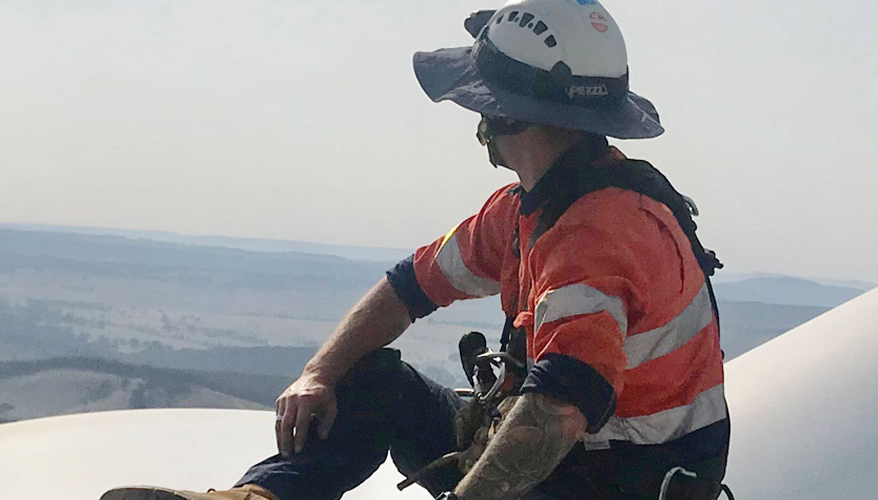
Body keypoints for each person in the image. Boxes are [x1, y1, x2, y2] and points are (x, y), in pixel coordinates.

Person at [104, 1, 727, 498]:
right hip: (563, 461)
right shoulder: (529, 209)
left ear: (510, 116)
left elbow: (559, 408)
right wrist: (319, 374)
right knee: (374, 380)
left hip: (607, 482)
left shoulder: (597, 235)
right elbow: (409, 286)